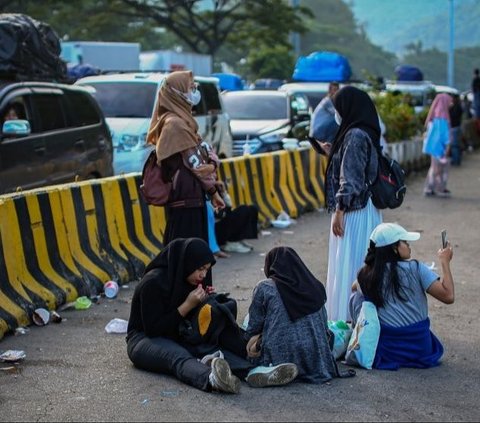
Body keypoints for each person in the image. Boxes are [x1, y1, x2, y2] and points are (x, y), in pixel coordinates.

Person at [126, 237, 298, 393]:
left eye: (207, 270)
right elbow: (154, 329)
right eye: (200, 269)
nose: (203, 275)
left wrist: (205, 302)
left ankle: (254, 371)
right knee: (178, 356)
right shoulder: (153, 283)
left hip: (177, 332)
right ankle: (211, 378)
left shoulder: (186, 279)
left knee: (212, 342)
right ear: (187, 263)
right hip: (143, 339)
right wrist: (187, 305)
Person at [349, 222, 454, 370]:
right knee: (358, 296)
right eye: (404, 242)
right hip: (420, 350)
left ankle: (360, 337)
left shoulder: (365, 275)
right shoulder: (416, 268)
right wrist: (445, 262)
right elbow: (448, 296)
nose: (409, 245)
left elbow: (354, 287)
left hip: (388, 351)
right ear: (394, 248)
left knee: (356, 297)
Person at [146, 71, 225, 250]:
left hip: (191, 201)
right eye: (190, 88)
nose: (194, 92)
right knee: (188, 260)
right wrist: (213, 192)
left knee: (188, 259)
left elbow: (205, 153)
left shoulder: (183, 122)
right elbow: (196, 164)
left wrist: (212, 165)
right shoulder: (176, 125)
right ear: (176, 93)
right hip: (186, 205)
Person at [324, 85, 383, 321]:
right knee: (358, 260)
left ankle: (347, 319)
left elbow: (351, 179)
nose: (337, 113)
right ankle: (359, 320)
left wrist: (340, 210)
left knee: (349, 263)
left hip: (353, 211)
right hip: (364, 209)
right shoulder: (364, 132)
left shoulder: (355, 135)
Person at [245, 246, 344, 384]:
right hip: (314, 359)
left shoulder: (265, 287)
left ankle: (266, 368)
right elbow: (324, 329)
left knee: (250, 343)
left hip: (278, 355)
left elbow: (253, 327)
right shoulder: (316, 286)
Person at [214, 180, 259, 254]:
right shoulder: (206, 189)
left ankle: (238, 239)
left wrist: (223, 192)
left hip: (222, 223)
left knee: (252, 209)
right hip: (216, 229)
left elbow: (229, 205)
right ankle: (231, 242)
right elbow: (218, 213)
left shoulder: (215, 189)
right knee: (243, 210)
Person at [422, 93, 453, 197]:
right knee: (437, 169)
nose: (450, 104)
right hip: (439, 148)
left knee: (433, 168)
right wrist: (447, 148)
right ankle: (432, 188)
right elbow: (446, 137)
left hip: (432, 147)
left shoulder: (434, 118)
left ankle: (431, 188)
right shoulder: (443, 119)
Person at [308, 82, 340, 155]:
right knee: (337, 122)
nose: (336, 92)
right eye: (334, 89)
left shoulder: (331, 101)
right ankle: (330, 147)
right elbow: (339, 114)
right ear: (330, 91)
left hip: (321, 131)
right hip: (317, 132)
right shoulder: (327, 102)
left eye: (337, 90)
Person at [449, 93, 464, 166]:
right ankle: (457, 160)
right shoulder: (459, 106)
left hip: (454, 127)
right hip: (458, 127)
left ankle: (455, 160)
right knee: (457, 145)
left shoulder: (455, 107)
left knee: (454, 145)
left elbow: (452, 116)